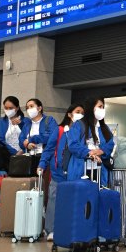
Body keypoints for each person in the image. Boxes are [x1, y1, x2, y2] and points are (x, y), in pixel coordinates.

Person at [42, 104, 84, 242]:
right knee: (53, 201)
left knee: (71, 202)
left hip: (74, 173)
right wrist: (42, 164)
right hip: (58, 172)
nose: (80, 115)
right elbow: (49, 149)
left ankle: (68, 229)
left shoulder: (82, 132)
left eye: (83, 113)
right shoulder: (59, 130)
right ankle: (51, 230)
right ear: (69, 114)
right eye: (78, 112)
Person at [66, 97, 114, 183]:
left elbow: (110, 144)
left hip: (99, 170)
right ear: (91, 107)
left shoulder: (104, 127)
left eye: (103, 107)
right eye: (100, 106)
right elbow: (73, 145)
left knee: (98, 193)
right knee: (81, 195)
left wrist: (102, 151)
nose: (102, 109)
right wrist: (89, 152)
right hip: (81, 169)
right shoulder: (79, 125)